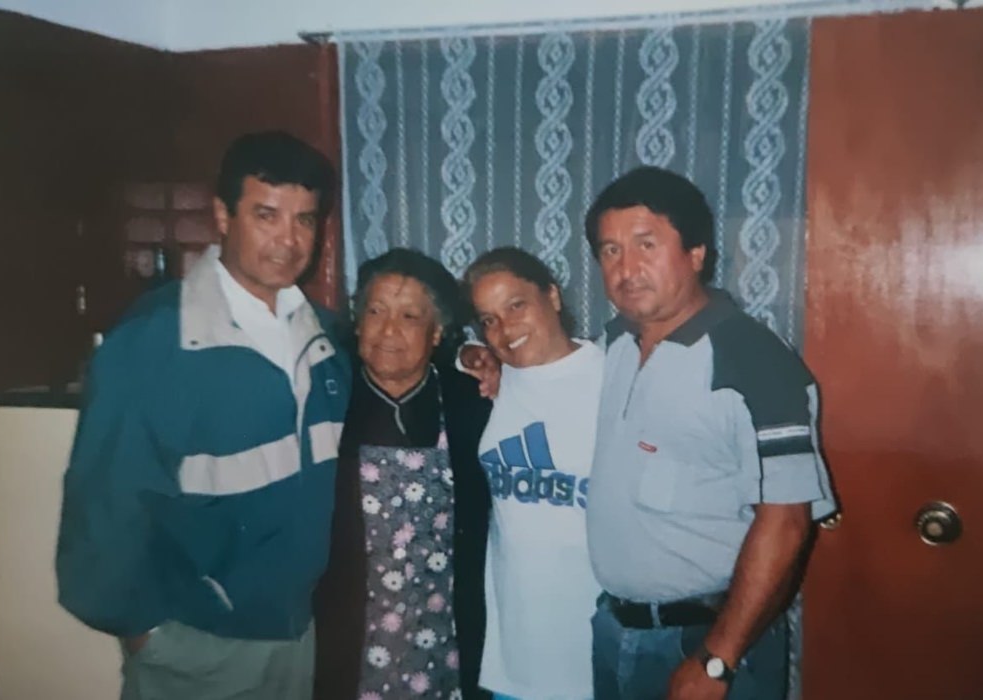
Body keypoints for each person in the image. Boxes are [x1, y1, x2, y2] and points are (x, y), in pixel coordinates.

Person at [56, 130, 350, 700]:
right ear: (222, 215)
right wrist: (144, 633)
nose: (288, 240)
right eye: (267, 215)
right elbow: (104, 502)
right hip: (197, 646)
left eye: (305, 220)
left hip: (297, 636)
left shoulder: (326, 337)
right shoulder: (155, 340)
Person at [584, 166, 837, 700]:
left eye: (646, 244)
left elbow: (787, 523)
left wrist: (716, 661)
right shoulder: (615, 345)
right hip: (615, 632)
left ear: (696, 253)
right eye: (610, 251)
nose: (626, 268)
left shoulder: (752, 361)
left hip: (706, 643)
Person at [314, 248, 492, 700]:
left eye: (410, 316)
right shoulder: (326, 398)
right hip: (348, 635)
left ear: (437, 332)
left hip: (446, 636)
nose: (389, 330)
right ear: (358, 323)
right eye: (376, 311)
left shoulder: (470, 402)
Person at [463, 247, 602, 700]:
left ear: (553, 296)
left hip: (595, 648)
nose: (504, 329)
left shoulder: (611, 377)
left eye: (516, 305)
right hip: (513, 657)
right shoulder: (494, 381)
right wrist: (469, 355)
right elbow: (433, 347)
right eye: (488, 320)